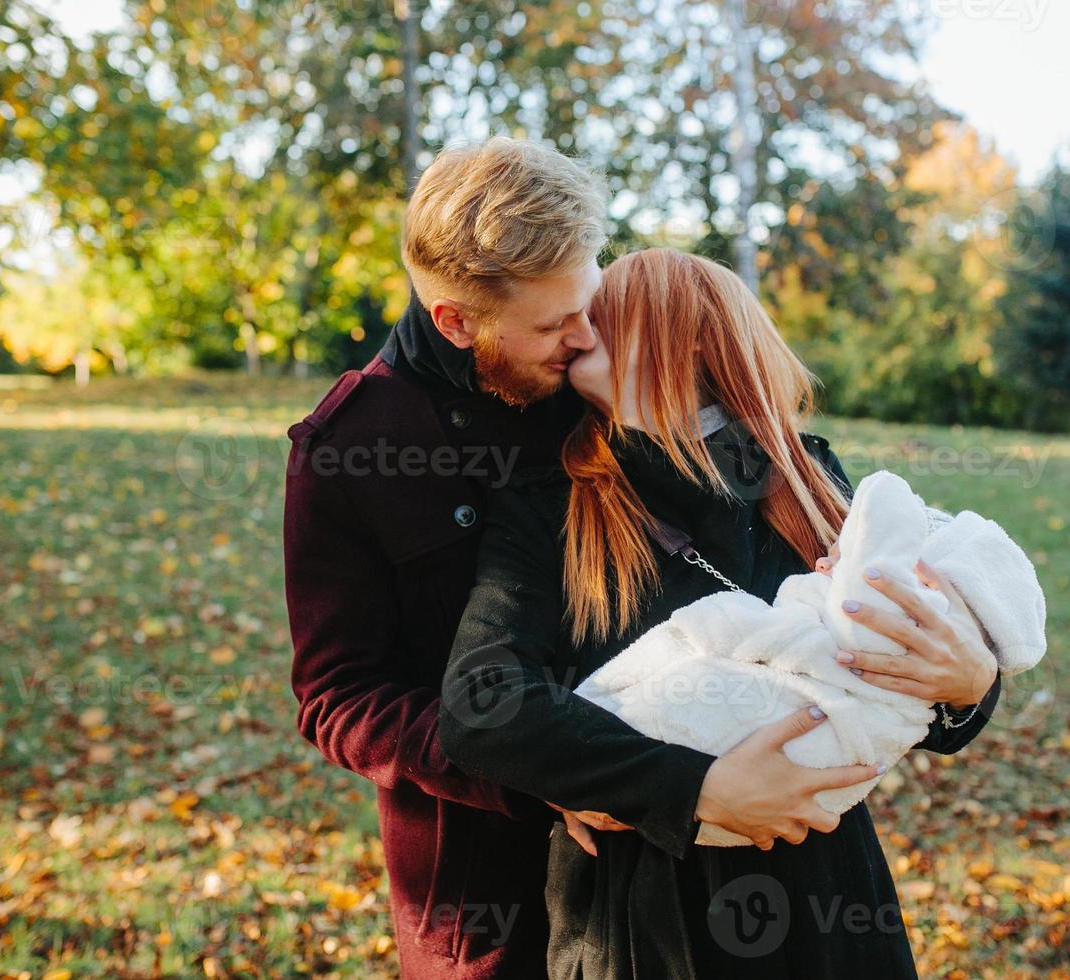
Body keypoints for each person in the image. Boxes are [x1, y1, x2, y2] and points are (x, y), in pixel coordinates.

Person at [439, 248, 1004, 979]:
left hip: (820, 888)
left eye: (605, 317)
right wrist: (690, 789)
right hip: (647, 905)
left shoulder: (806, 480)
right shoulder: (552, 502)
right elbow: (480, 702)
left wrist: (972, 686)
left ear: (689, 340)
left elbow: (899, 650)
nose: (578, 331)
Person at [282, 137, 606, 978]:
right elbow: (336, 696)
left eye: (587, 303)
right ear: (455, 321)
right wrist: (535, 768)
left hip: (653, 858)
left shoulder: (599, 380)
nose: (584, 338)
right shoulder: (344, 450)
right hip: (478, 895)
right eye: (551, 323)